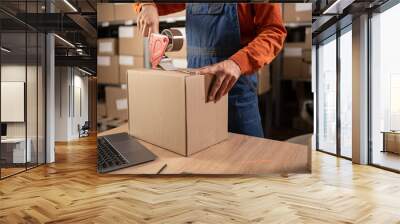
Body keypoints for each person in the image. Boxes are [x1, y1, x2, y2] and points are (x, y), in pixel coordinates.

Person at [136, 3, 286, 138]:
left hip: (236, 92)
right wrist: (147, 4)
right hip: (196, 92)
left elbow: (274, 32)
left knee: (248, 159)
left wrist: (237, 63)